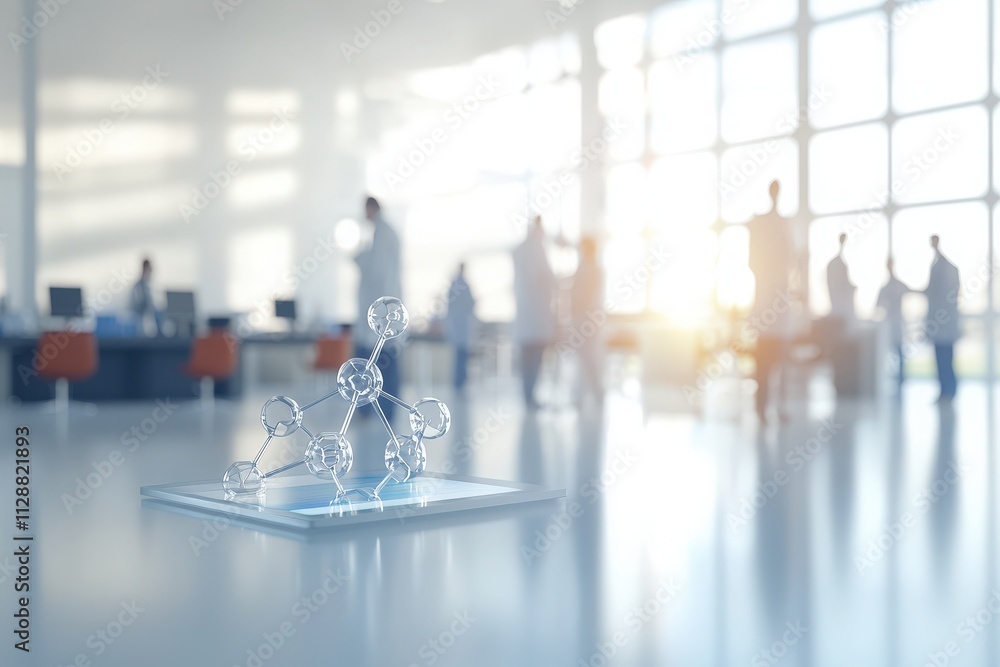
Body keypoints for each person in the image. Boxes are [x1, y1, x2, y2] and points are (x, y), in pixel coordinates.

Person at [747, 180, 794, 421]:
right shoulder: (762, 223)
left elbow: (791, 258)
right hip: (766, 303)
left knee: (779, 361)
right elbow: (752, 261)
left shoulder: (781, 223)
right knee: (764, 361)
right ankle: (762, 406)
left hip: (778, 303)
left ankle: (778, 406)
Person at [354, 196, 403, 415]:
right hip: (384, 311)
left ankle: (379, 412)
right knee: (384, 362)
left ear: (371, 208)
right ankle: (385, 411)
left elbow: (376, 272)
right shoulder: (386, 232)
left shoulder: (382, 233)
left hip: (380, 312)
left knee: (376, 365)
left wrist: (360, 259)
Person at [513, 216, 557, 408]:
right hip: (537, 319)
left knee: (526, 361)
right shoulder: (537, 250)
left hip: (525, 319)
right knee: (535, 361)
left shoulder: (520, 250)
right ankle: (529, 396)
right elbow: (548, 279)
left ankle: (526, 396)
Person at [924, 235, 961, 403]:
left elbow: (937, 293)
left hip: (943, 323)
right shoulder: (942, 265)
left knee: (945, 360)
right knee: (943, 360)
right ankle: (947, 391)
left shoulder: (943, 266)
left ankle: (948, 391)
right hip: (942, 324)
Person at [570, 236, 604, 403]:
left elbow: (584, 294)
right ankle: (584, 395)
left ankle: (595, 394)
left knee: (588, 357)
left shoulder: (591, 268)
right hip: (584, 317)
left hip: (586, 318)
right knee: (585, 358)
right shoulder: (588, 266)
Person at [875, 259, 911, 390]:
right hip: (889, 325)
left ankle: (901, 380)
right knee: (889, 354)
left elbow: (913, 292)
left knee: (899, 353)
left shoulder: (895, 285)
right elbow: (877, 306)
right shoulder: (886, 287)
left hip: (896, 324)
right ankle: (890, 378)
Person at [444, 263, 477, 391]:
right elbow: (469, 303)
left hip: (460, 326)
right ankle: (459, 383)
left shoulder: (456, 283)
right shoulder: (461, 284)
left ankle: (460, 382)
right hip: (460, 326)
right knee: (460, 355)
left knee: (460, 355)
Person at [827, 233, 856, 324]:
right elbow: (836, 285)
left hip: (843, 311)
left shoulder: (839, 262)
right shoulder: (835, 264)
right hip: (839, 310)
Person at [129, 258, 162, 335]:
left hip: (149, 322)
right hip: (141, 323)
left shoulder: (150, 285)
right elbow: (137, 306)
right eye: (149, 268)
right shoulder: (139, 287)